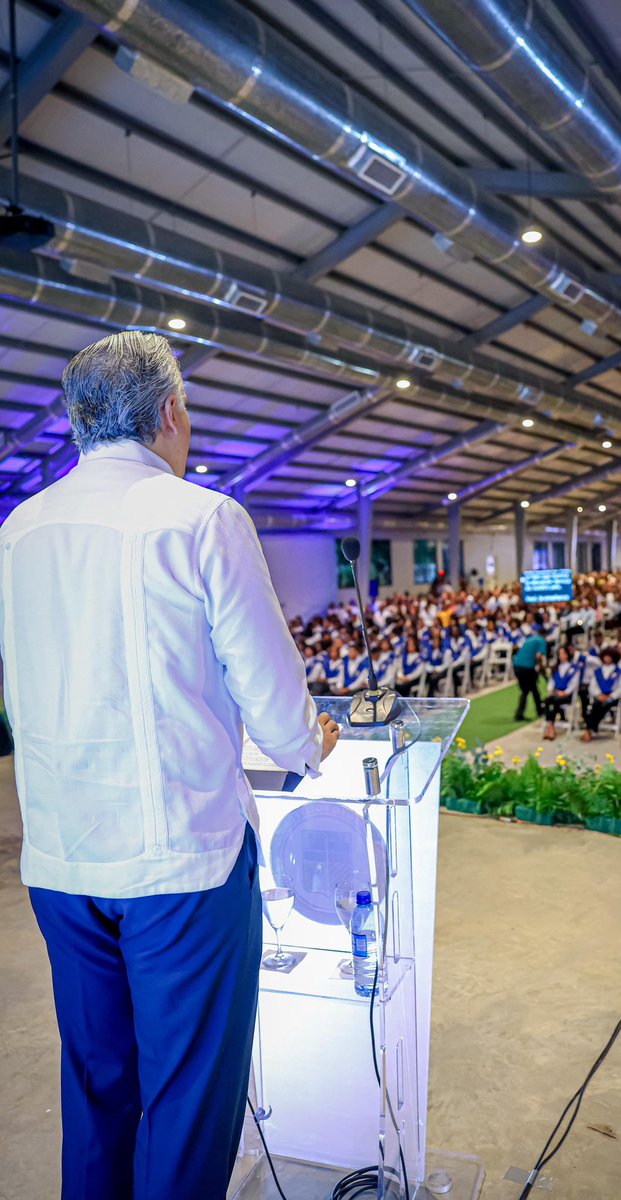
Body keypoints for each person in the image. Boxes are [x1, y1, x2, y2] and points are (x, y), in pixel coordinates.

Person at [0, 331, 341, 1200]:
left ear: (80, 425)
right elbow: (269, 690)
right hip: (180, 861)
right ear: (170, 414)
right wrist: (309, 745)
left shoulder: (20, 530)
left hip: (63, 858)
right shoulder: (202, 517)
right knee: (188, 1102)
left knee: (97, 1089)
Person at [582, 648, 621, 741]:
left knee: (604, 704)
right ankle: (591, 728)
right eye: (605, 656)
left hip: (612, 697)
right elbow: (592, 686)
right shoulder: (598, 671)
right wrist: (598, 694)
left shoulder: (618, 671)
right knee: (596, 704)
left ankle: (590, 728)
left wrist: (612, 695)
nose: (607, 658)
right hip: (600, 695)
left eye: (609, 656)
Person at [542, 645, 580, 740]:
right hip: (557, 693)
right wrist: (550, 690)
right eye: (560, 654)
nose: (561, 656)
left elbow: (574, 684)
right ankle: (550, 725)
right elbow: (551, 681)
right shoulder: (556, 668)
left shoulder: (574, 668)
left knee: (555, 701)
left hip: (567, 695)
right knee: (547, 700)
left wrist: (565, 692)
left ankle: (551, 726)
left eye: (563, 653)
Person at [512, 624, 547, 721]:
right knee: (527, 690)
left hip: (517, 666)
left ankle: (539, 710)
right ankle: (520, 714)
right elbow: (539, 656)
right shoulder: (541, 641)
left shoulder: (530, 638)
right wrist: (542, 670)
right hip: (526, 667)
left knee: (532, 689)